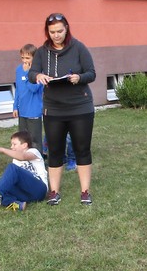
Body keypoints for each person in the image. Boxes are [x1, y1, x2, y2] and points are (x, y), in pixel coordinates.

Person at [28, 13, 96, 206]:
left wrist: (79, 78)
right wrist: (38, 76)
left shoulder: (79, 47)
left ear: (67, 29)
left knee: (82, 149)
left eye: (59, 31)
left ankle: (85, 192)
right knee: (55, 150)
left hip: (80, 107)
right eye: (52, 32)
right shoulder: (42, 52)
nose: (56, 35)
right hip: (53, 109)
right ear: (47, 32)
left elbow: (91, 73)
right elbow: (32, 73)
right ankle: (54, 192)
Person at [0, 130, 48, 212]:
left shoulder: (34, 151)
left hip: (39, 190)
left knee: (12, 168)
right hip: (24, 194)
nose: (11, 147)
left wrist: (2, 149)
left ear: (24, 145)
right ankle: (14, 203)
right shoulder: (15, 160)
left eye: (14, 144)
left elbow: (23, 157)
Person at [13, 43, 44, 154]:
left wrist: (27, 73)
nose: (24, 61)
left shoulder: (39, 72)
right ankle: (24, 159)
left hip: (33, 110)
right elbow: (18, 89)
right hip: (22, 110)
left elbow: (33, 88)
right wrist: (15, 106)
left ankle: (37, 160)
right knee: (23, 138)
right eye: (23, 58)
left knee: (34, 139)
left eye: (27, 58)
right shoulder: (18, 69)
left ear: (34, 58)